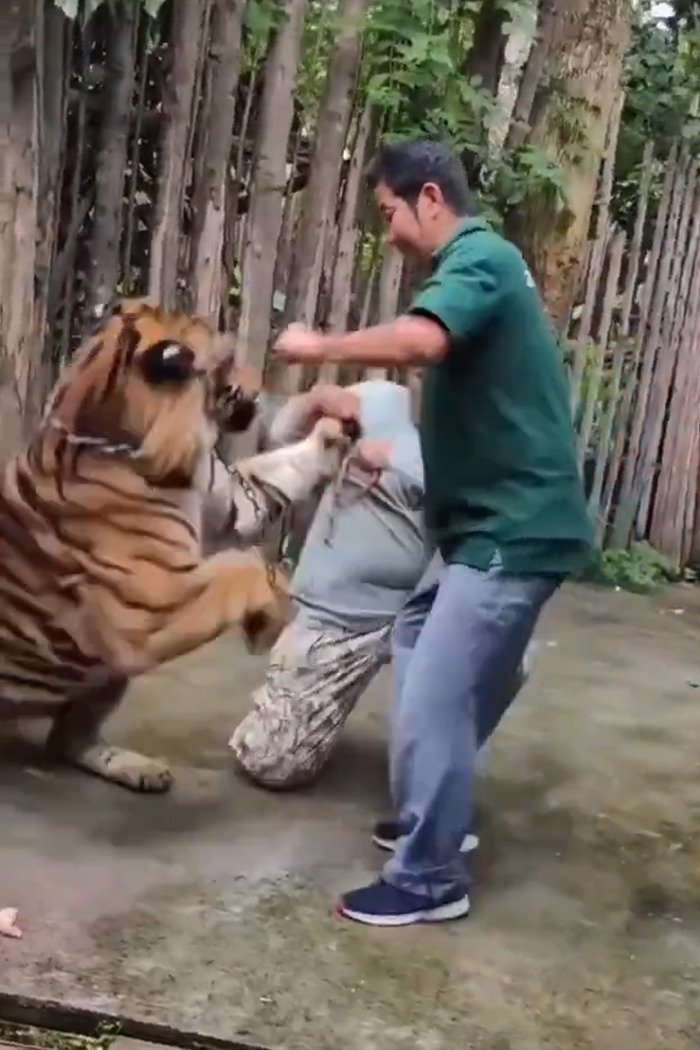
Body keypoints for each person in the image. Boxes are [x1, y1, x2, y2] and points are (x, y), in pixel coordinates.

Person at [273, 139, 594, 927]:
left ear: (429, 198)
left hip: (512, 529)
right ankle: (435, 810)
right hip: (483, 528)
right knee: (416, 640)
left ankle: (429, 878)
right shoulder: (477, 268)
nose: (387, 232)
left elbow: (420, 341)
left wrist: (320, 348)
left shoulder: (480, 257)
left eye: (388, 213)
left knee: (438, 690)